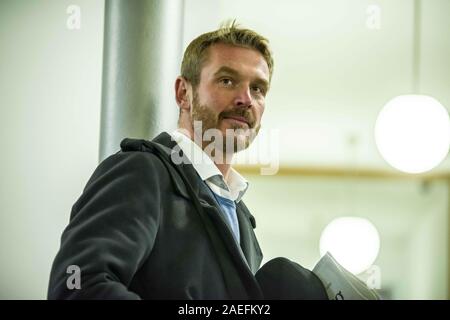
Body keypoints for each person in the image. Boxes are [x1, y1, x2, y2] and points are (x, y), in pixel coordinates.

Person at [48, 21, 328, 300]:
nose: (246, 99)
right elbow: (77, 287)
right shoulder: (143, 171)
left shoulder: (242, 218)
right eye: (227, 80)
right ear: (184, 93)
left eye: (258, 89)